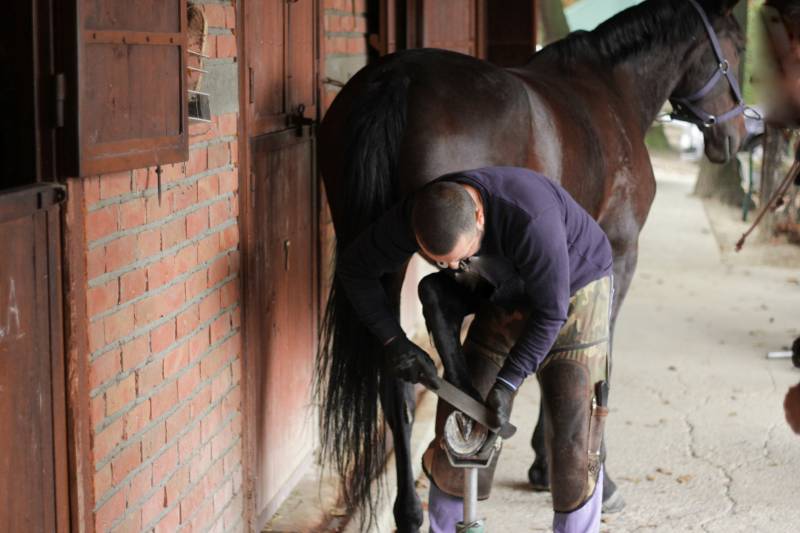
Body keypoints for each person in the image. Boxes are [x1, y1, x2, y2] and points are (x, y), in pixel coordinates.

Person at [338, 166, 614, 533]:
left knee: (572, 441)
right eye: (440, 262)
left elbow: (551, 312)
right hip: (501, 289)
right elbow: (355, 270)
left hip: (576, 291)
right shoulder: (418, 214)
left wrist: (510, 381)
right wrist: (394, 341)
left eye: (458, 257)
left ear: (479, 217)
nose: (452, 267)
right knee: (461, 428)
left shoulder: (531, 219)